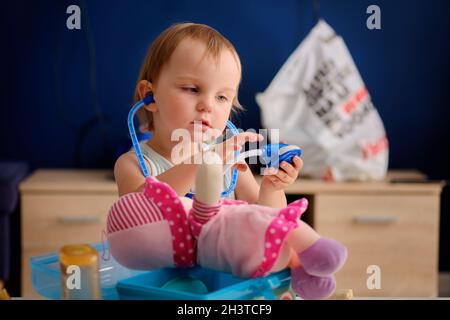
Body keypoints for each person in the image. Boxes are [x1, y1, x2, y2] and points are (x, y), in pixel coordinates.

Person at [107, 23, 347, 300]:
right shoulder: (133, 164)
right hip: (164, 286)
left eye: (222, 97)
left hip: (228, 283)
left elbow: (265, 220)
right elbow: (138, 211)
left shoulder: (230, 162)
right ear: (149, 96)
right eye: (192, 89)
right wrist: (203, 163)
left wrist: (271, 187)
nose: (207, 105)